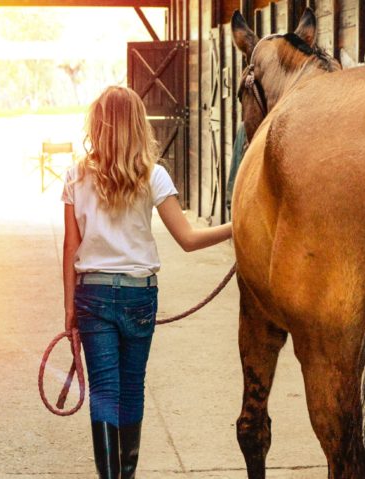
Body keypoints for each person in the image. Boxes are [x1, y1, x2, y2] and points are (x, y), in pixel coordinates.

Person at [61, 86, 232, 479]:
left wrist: (69, 310)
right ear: (138, 124)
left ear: (97, 124)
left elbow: (71, 248)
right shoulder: (153, 176)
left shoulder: (75, 176)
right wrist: (237, 227)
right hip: (139, 295)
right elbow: (188, 240)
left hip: (92, 295)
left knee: (104, 391)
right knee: (131, 388)